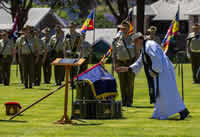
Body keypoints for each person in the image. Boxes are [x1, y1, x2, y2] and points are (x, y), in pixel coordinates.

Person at [116, 32, 190, 120]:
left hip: (163, 72)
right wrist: (128, 68)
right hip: (159, 72)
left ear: (139, 40)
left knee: (166, 93)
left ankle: (181, 111)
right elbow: (140, 61)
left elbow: (156, 58)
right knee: (161, 94)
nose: (135, 45)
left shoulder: (149, 45)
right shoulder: (145, 47)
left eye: (135, 42)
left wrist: (155, 70)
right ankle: (161, 113)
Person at [113, 21, 138, 107]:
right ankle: (124, 101)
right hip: (120, 63)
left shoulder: (133, 40)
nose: (124, 30)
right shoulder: (116, 40)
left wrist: (136, 64)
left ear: (128, 29)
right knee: (122, 83)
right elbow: (114, 54)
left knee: (130, 83)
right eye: (122, 28)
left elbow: (137, 53)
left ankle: (129, 101)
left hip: (130, 63)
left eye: (125, 28)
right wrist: (115, 65)